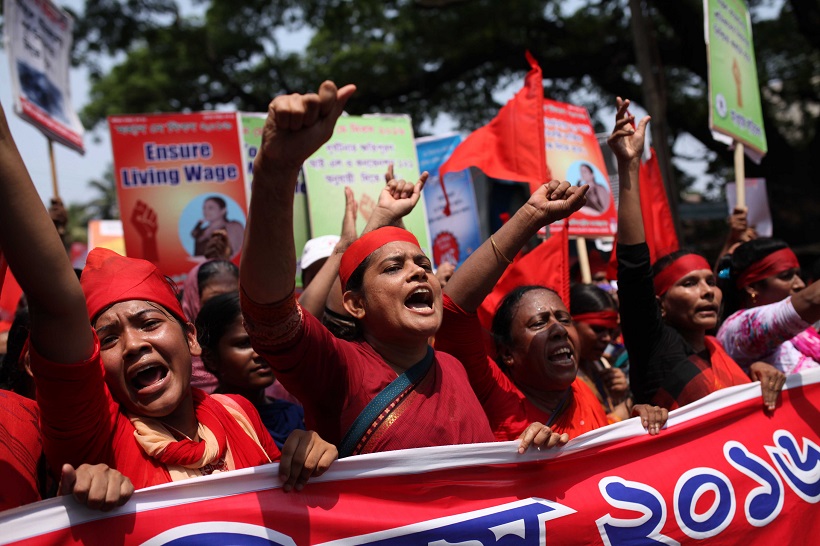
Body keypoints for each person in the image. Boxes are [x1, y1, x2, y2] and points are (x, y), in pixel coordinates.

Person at [0, 100, 335, 494]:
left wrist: (305, 457)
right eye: (108, 338)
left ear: (190, 337)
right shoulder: (96, 441)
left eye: (149, 323)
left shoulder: (239, 413)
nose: (134, 345)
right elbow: (56, 304)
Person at [239, 80, 565, 457]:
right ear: (355, 304)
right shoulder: (337, 369)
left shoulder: (453, 366)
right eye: (395, 267)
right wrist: (275, 171)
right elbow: (270, 316)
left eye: (423, 264)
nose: (419, 273)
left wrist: (531, 448)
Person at [436, 181, 667, 440]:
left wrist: (635, 422)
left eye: (564, 319)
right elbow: (452, 309)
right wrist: (531, 216)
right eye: (538, 323)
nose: (558, 329)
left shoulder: (581, 389)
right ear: (507, 353)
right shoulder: (494, 393)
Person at [609, 97, 785, 411]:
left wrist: (755, 374)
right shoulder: (655, 346)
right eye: (689, 284)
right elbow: (633, 267)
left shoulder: (718, 349)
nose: (707, 292)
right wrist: (629, 166)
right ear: (659, 305)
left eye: (709, 282)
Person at [196, 291, 305, 449]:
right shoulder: (203, 426)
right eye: (244, 344)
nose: (260, 352)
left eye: (267, 340)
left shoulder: (296, 416)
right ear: (210, 358)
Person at [717, 238, 820, 375]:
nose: (800, 284)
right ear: (752, 287)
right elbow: (812, 301)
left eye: (798, 275)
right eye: (786, 276)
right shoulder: (738, 330)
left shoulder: (803, 332)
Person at [570, 283, 632, 422]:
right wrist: (618, 415)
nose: (607, 338)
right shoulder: (561, 376)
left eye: (611, 331)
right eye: (598, 329)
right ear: (570, 323)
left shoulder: (601, 364)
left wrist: (618, 395)